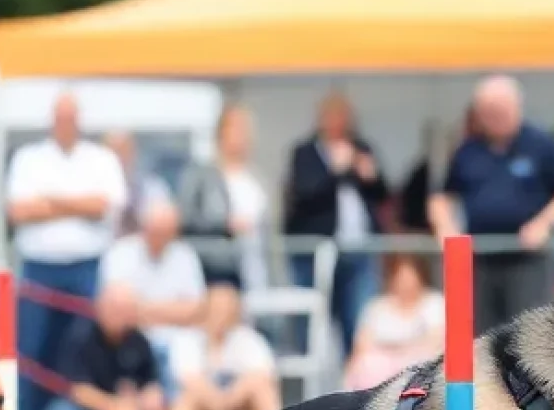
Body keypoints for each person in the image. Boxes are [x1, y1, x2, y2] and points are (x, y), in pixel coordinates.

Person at [5, 93, 128, 410]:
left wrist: (51, 201)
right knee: (31, 348)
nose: (66, 124)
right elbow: (19, 211)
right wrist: (77, 203)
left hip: (86, 267)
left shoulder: (100, 158)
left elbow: (103, 205)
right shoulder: (29, 157)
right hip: (39, 268)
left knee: (82, 347)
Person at [429, 76, 554, 332]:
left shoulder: (540, 144)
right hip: (480, 260)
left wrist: (543, 222)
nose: (495, 117)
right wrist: (446, 229)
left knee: (526, 337)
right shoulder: (468, 151)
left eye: (501, 109)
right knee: (482, 337)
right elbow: (441, 197)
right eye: (489, 111)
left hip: (527, 259)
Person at [283, 93, 389, 354]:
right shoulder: (305, 153)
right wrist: (336, 170)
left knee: (359, 321)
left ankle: (357, 383)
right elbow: (305, 194)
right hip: (318, 251)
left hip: (359, 250)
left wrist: (371, 177)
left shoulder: (361, 148)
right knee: (312, 325)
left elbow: (382, 195)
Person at [160, 284, 281, 410]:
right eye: (216, 309)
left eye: (227, 310)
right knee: (188, 397)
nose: (222, 316)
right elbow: (189, 380)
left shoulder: (249, 339)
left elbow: (263, 375)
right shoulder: (187, 340)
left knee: (262, 389)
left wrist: (229, 400)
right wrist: (218, 403)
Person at [42, 284, 165, 410]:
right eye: (115, 309)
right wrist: (115, 409)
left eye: (126, 310)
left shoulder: (138, 341)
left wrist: (143, 403)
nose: (120, 316)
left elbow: (151, 385)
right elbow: (79, 390)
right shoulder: (81, 336)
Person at [98, 198, 207, 386]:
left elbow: (196, 310)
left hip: (177, 338)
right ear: (144, 227)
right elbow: (114, 311)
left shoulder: (185, 256)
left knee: (188, 352)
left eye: (165, 232)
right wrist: (173, 311)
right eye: (155, 230)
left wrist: (141, 309)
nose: (159, 237)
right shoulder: (120, 253)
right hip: (130, 339)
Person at [176, 103, 269, 289]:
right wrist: (225, 223)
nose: (242, 135)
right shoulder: (201, 174)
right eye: (236, 128)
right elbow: (185, 216)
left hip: (253, 263)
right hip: (217, 267)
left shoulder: (255, 177)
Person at [342, 253, 445, 391]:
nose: (405, 281)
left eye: (410, 275)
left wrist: (401, 351)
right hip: (381, 372)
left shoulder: (434, 302)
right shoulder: (377, 306)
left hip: (420, 367)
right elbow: (362, 345)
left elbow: (437, 341)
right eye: (400, 276)